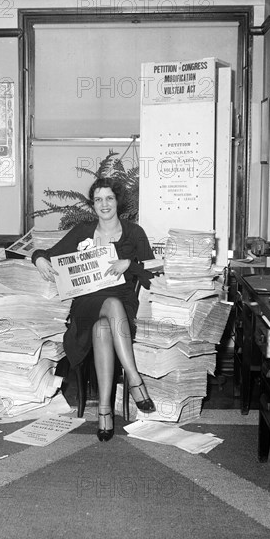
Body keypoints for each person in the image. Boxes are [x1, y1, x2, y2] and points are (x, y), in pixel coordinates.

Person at [32, 177, 156, 442]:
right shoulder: (82, 230)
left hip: (122, 306)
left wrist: (128, 264)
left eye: (109, 198)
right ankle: (135, 379)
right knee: (105, 310)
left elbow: (151, 273)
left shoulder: (134, 232)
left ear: (117, 201)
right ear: (92, 204)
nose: (104, 204)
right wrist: (38, 258)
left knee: (104, 327)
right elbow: (48, 252)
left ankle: (104, 411)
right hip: (86, 305)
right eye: (98, 199)